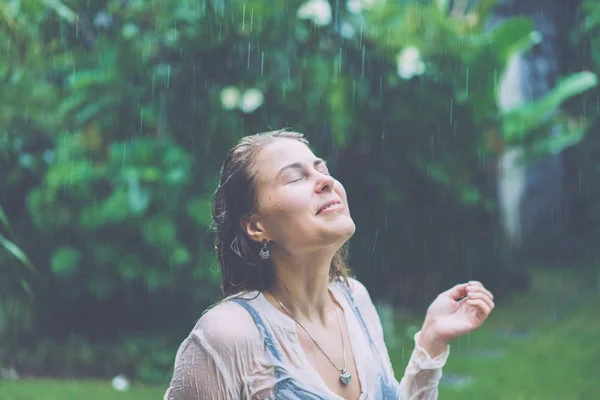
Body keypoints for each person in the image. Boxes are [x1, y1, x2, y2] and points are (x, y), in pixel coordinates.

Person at [164, 130, 495, 399]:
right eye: (295, 178)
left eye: (321, 170)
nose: (325, 181)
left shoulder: (354, 300)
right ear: (256, 227)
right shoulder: (226, 336)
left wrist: (431, 340)